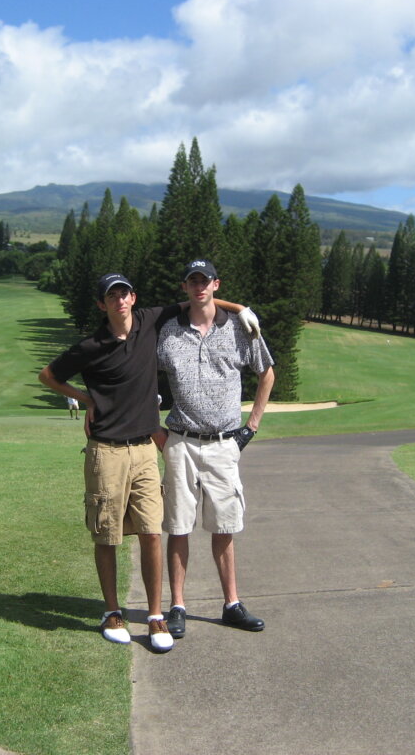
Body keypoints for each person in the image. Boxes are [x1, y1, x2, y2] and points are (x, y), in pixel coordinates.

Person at [38, 272, 258, 652]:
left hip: (143, 450)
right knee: (107, 534)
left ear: (133, 298)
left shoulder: (149, 322)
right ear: (101, 304)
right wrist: (87, 400)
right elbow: (48, 375)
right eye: (111, 296)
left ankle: (156, 614)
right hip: (105, 449)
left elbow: (199, 300)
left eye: (124, 294)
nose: (119, 301)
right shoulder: (91, 345)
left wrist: (240, 309)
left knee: (152, 531)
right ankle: (112, 612)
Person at [156, 259, 275, 639]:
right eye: (192, 281)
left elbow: (267, 372)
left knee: (225, 527)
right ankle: (177, 606)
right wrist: (155, 431)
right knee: (178, 527)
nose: (199, 287)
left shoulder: (242, 330)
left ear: (215, 284)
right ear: (185, 287)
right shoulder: (169, 332)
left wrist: (250, 428)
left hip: (225, 444)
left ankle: (231, 605)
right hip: (180, 442)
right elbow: (140, 376)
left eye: (204, 280)